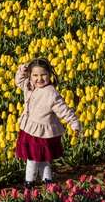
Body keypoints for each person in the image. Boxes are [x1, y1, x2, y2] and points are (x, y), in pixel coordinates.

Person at [14, 57, 82, 188]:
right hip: (30, 129)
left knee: (36, 159)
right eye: (35, 75)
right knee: (38, 158)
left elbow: (64, 110)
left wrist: (74, 122)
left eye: (43, 75)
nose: (39, 79)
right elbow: (19, 81)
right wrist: (22, 70)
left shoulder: (51, 93)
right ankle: (46, 181)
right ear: (30, 75)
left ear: (50, 75)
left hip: (42, 132)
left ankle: (31, 182)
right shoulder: (29, 85)